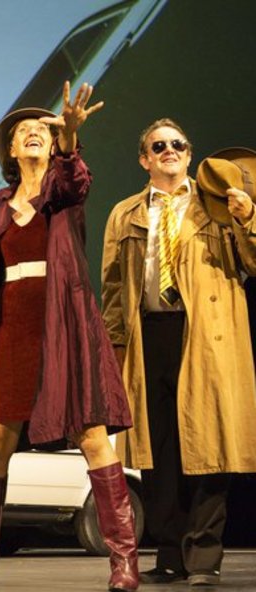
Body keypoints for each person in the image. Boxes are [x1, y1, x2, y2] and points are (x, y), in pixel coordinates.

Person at [0, 82, 139, 592]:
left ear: (53, 145)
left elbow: (76, 179)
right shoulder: (0, 203)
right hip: (12, 333)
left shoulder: (63, 189)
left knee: (92, 437)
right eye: (22, 131)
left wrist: (70, 138)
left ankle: (123, 559)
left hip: (62, 329)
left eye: (41, 130)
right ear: (10, 150)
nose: (32, 133)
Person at [101, 119, 256, 587]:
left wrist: (248, 218)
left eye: (177, 144)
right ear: (144, 159)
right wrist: (115, 349)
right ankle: (170, 554)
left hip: (208, 335)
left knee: (210, 446)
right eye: (158, 146)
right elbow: (112, 288)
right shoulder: (125, 214)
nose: (169, 150)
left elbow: (252, 262)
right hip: (148, 335)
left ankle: (203, 557)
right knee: (158, 449)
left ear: (189, 155)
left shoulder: (218, 206)